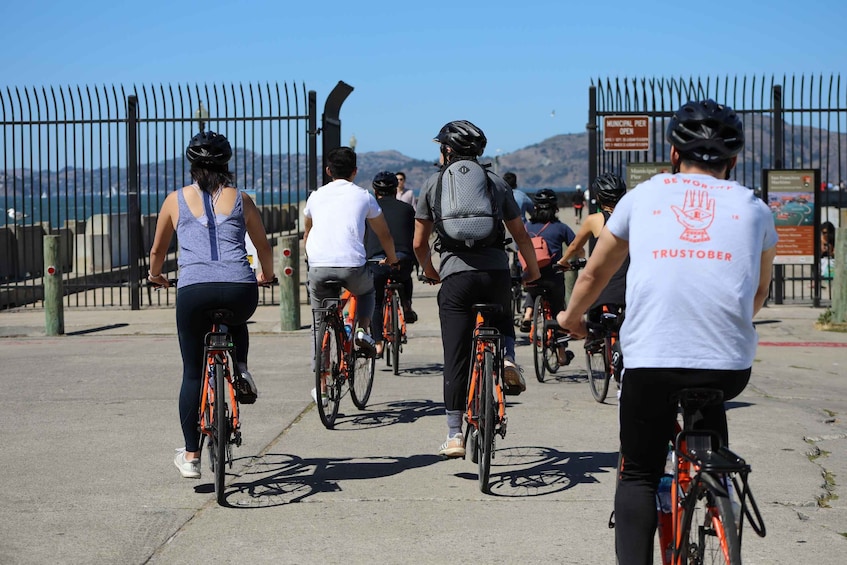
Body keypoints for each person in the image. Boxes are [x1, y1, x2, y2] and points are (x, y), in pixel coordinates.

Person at [556, 99, 778, 564]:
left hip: (652, 361)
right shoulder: (755, 208)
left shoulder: (644, 197)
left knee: (637, 473)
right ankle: (714, 484)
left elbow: (595, 275)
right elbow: (758, 291)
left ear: (674, 156)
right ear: (733, 162)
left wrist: (571, 319)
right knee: (709, 412)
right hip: (728, 366)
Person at [147, 130, 275, 480]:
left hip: (194, 290)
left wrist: (155, 275)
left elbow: (157, 252)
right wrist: (266, 274)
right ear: (227, 164)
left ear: (191, 163)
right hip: (239, 289)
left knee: (192, 372)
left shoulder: (175, 200)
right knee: (236, 319)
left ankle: (191, 456)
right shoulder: (242, 199)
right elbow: (263, 246)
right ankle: (242, 368)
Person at [413, 120, 541, 458]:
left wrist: (430, 271)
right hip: (495, 273)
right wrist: (532, 271)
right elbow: (522, 235)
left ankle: (455, 433)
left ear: (447, 151)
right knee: (500, 318)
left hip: (456, 277)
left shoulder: (433, 184)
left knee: (455, 356)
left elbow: (418, 243)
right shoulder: (496, 183)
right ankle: (509, 359)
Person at [304, 147, 399, 405]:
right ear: (355, 172)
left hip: (319, 266)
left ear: (328, 171)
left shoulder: (315, 196)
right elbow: (384, 234)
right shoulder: (364, 196)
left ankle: (322, 387)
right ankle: (363, 329)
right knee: (366, 291)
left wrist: (310, 258)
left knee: (319, 324)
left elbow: (308, 232)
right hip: (352, 267)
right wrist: (391, 258)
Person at [558, 172, 629, 327]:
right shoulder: (634, 216)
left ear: (598, 197)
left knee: (593, 328)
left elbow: (575, 247)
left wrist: (563, 261)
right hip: (631, 285)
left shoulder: (595, 220)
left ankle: (594, 341)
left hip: (604, 286)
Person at [518, 189, 580, 364]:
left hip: (531, 275)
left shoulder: (527, 227)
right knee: (558, 311)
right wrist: (571, 262)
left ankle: (528, 313)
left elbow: (518, 248)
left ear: (535, 208)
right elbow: (575, 247)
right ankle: (561, 354)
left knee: (532, 283)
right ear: (556, 209)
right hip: (553, 276)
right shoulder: (561, 228)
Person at [365, 171, 417, 358]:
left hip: (376, 261)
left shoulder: (368, 209)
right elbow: (414, 238)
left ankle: (378, 343)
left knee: (376, 302)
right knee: (405, 277)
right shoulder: (407, 209)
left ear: (374, 190)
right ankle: (407, 305)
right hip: (401, 259)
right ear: (396, 189)